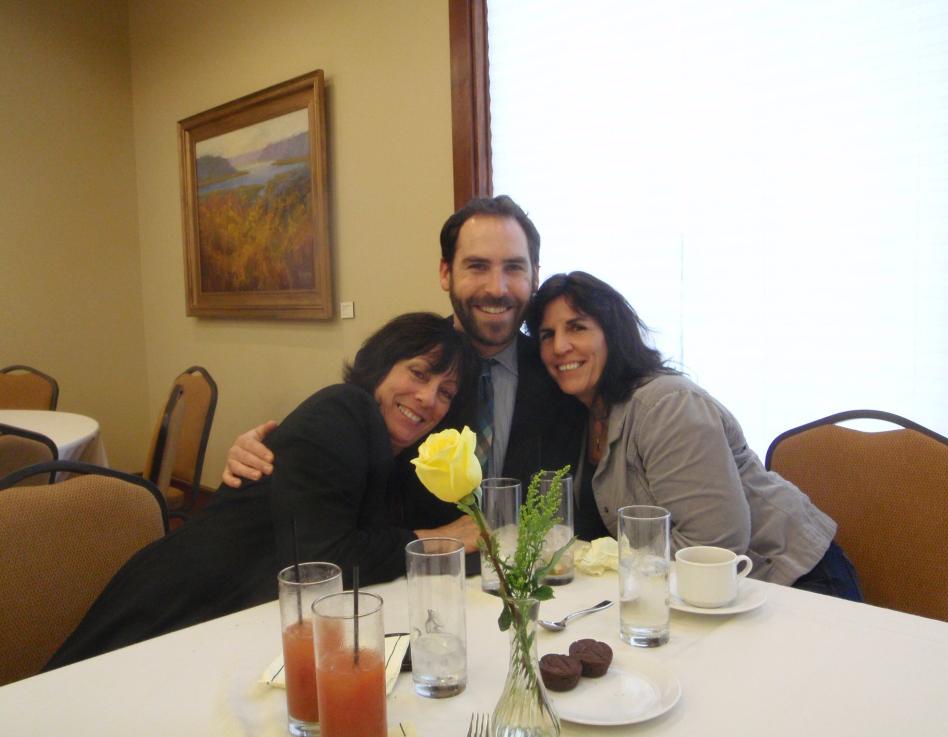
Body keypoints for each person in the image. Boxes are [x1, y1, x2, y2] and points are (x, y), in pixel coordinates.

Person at [44, 313, 480, 670]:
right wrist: (438, 540)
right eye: (418, 373)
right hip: (184, 603)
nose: (428, 398)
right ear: (381, 365)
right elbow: (322, 564)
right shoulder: (343, 410)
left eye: (445, 393)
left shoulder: (402, 455)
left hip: (249, 617)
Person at [222, 196, 586, 533]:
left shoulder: (562, 375)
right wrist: (271, 460)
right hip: (406, 571)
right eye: (477, 266)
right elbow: (334, 459)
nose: (497, 287)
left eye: (514, 267)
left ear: (535, 276)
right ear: (445, 273)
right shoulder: (398, 366)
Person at [525, 271, 862, 600]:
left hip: (792, 584)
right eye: (546, 335)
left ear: (612, 334)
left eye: (577, 327)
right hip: (698, 595)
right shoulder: (584, 416)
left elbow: (716, 544)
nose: (560, 346)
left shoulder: (667, 405)